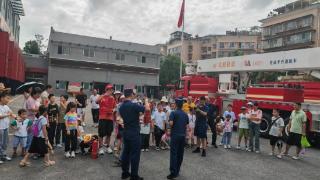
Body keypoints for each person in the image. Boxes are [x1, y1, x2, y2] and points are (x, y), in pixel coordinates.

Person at [119, 88, 148, 180]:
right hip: (134, 132)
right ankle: (134, 175)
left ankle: (125, 173)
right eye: (134, 94)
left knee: (125, 153)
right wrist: (146, 101)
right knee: (135, 155)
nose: (134, 95)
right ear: (131, 94)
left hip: (126, 131)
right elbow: (147, 109)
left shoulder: (121, 106)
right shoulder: (134, 105)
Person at [167, 98, 189, 179]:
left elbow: (171, 123)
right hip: (182, 136)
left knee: (174, 154)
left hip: (175, 135)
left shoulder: (173, 113)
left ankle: (173, 172)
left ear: (176, 104)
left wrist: (169, 121)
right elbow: (187, 126)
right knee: (180, 154)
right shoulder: (185, 114)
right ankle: (177, 171)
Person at [96, 84, 116, 155]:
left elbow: (114, 107)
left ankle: (107, 147)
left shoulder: (113, 98)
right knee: (101, 133)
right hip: (102, 117)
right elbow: (96, 101)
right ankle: (100, 147)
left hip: (110, 118)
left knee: (109, 133)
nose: (111, 91)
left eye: (112, 90)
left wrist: (113, 110)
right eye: (110, 90)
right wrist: (104, 95)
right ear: (106, 90)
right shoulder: (102, 96)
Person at [0, 92, 14, 163]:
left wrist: (15, 116)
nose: (8, 100)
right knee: (0, 142)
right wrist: (7, 114)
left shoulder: (6, 106)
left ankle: (3, 155)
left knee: (5, 142)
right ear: (2, 98)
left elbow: (10, 112)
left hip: (5, 127)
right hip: (0, 128)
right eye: (6, 98)